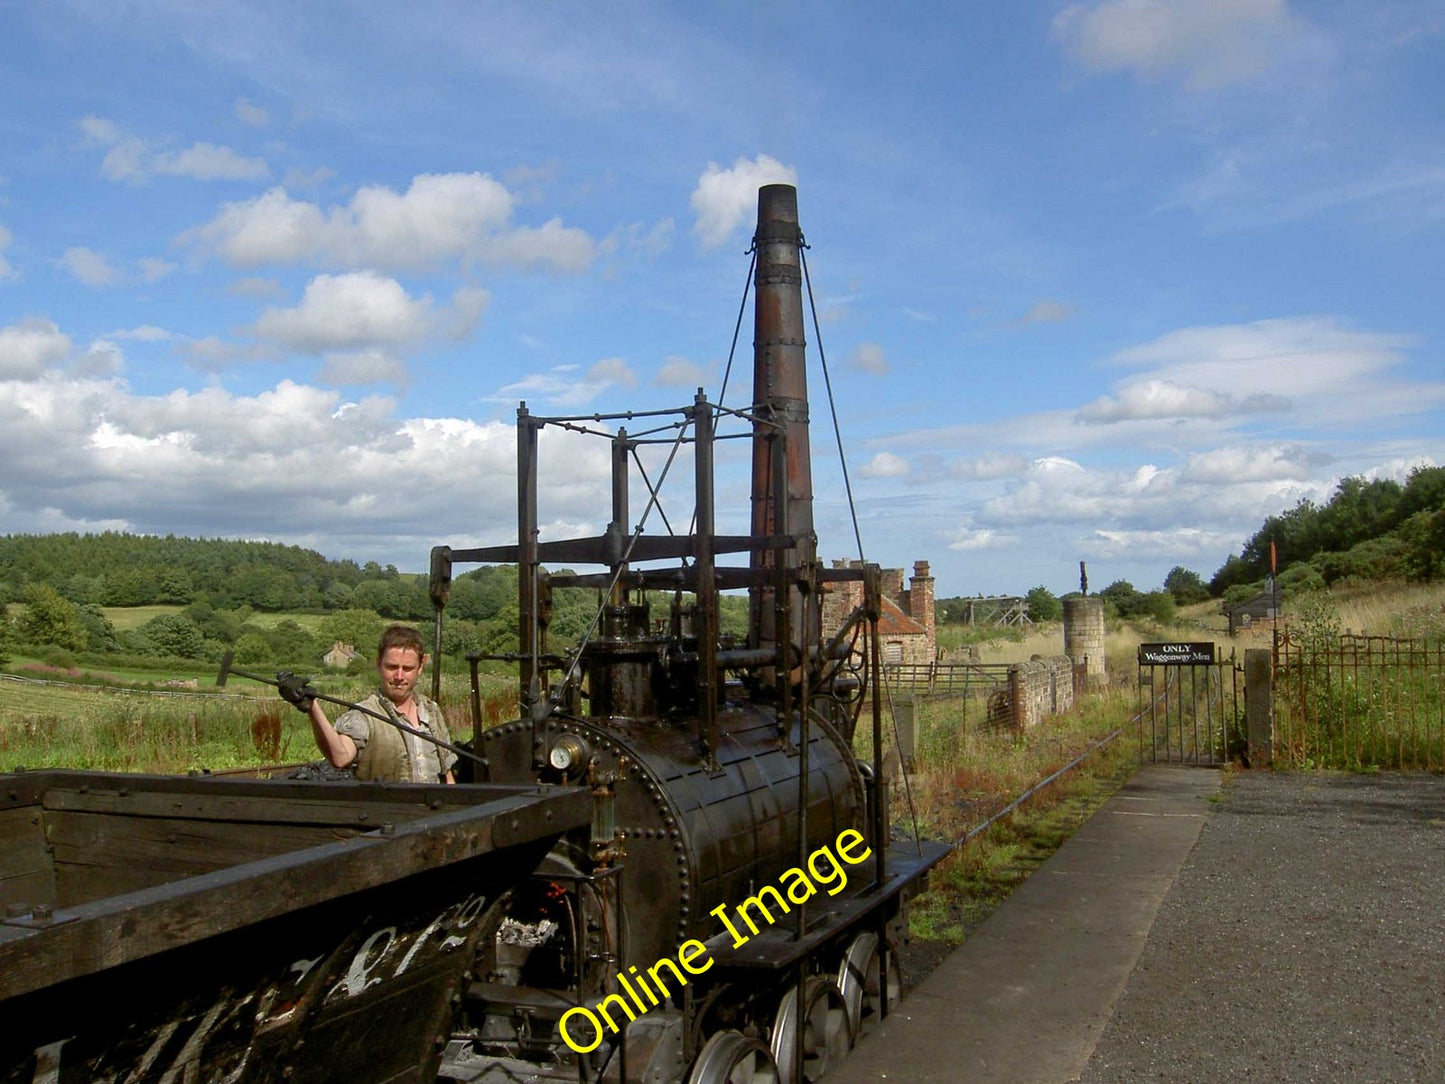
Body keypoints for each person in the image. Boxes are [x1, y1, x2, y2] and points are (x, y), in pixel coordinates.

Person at [282, 624, 457, 784]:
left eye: (408, 669)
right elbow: (340, 757)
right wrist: (312, 707)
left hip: (435, 814)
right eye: (392, 667)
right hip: (387, 814)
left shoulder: (431, 711)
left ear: (420, 668)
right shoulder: (364, 715)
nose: (399, 676)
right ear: (379, 664)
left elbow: (447, 775)